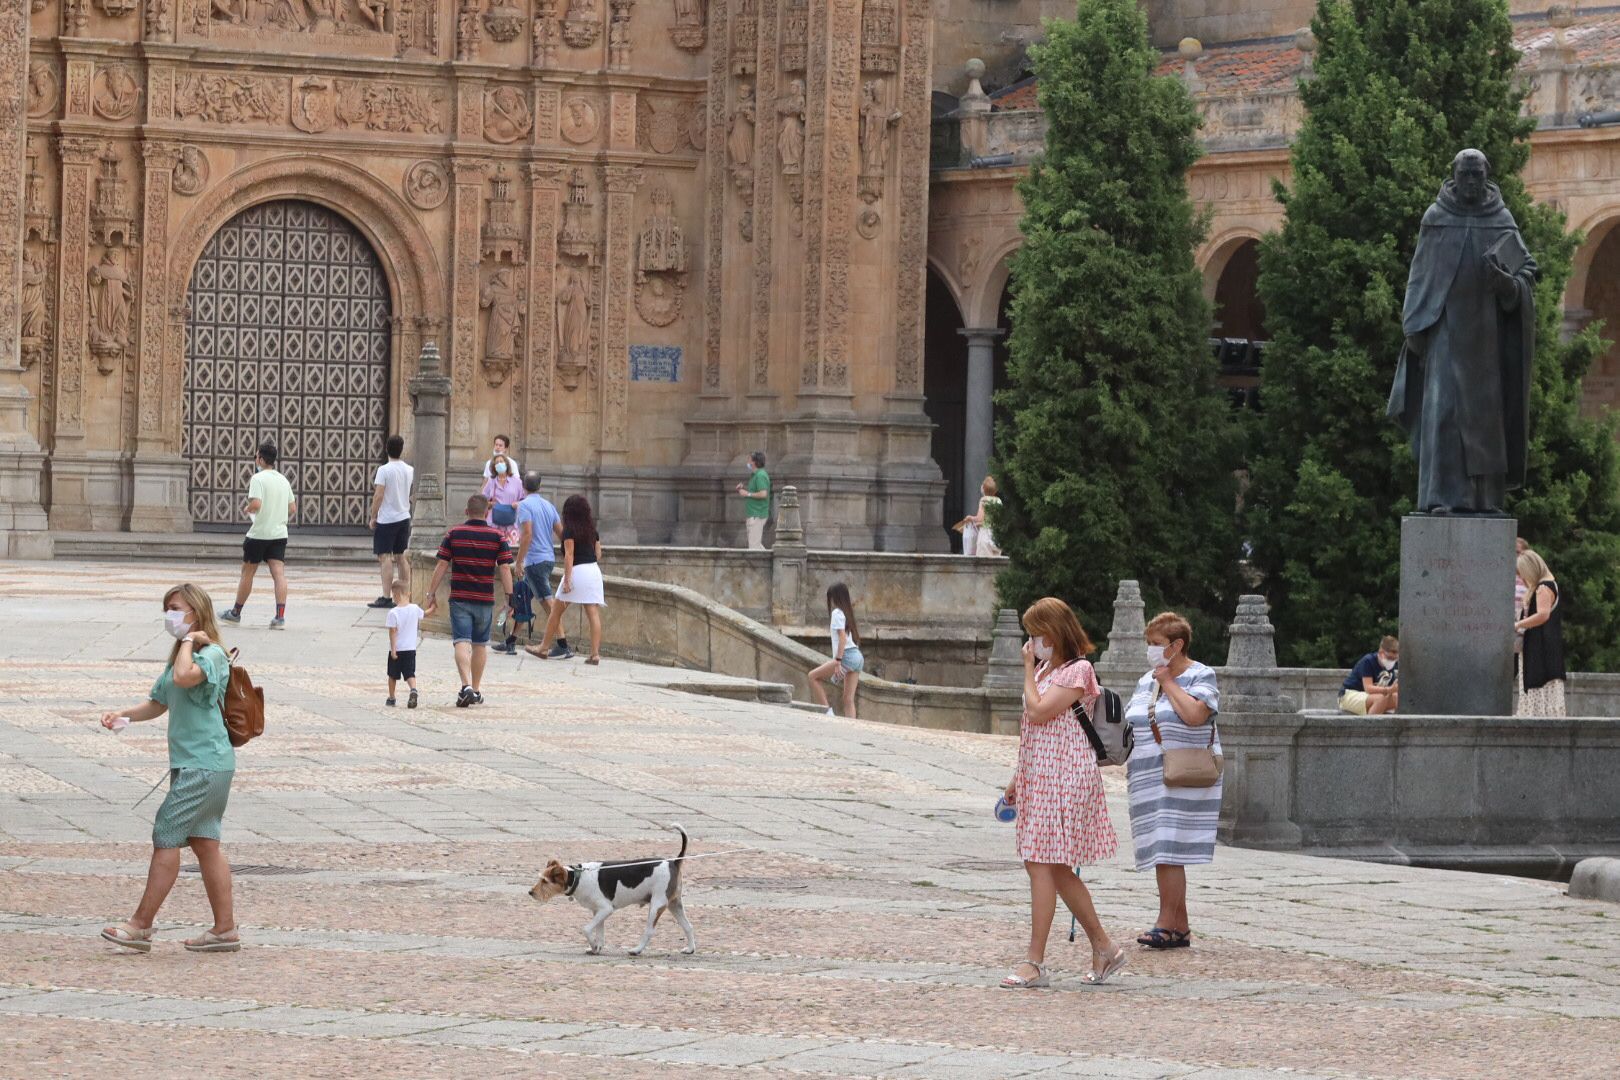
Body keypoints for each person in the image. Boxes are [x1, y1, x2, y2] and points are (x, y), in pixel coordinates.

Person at [98, 584, 241, 953]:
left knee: (166, 833)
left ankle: (140, 925)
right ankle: (224, 929)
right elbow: (159, 701)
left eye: (176, 609)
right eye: (167, 609)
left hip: (204, 764)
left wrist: (192, 641)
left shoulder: (211, 656)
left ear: (196, 612)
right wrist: (122, 714)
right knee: (205, 843)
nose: (169, 616)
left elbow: (183, 678)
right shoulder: (181, 654)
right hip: (199, 765)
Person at [997, 597, 1124, 989]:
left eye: (1036, 634)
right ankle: (1104, 948)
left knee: (1040, 862)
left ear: (1052, 634)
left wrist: (1025, 669)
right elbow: (1034, 728)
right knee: (1052, 866)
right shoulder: (1048, 669)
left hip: (1066, 775)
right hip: (1042, 774)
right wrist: (1019, 779)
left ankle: (1035, 961)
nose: (1031, 642)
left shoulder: (1078, 670)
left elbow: (1038, 712)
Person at [1125, 611, 1222, 951]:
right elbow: (1131, 722)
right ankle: (1179, 927)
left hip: (1184, 774)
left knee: (1168, 848)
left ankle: (1165, 923)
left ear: (1177, 645)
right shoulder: (1144, 681)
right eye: (1149, 643)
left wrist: (1168, 681)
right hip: (1147, 775)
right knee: (1161, 849)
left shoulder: (1201, 674)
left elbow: (1196, 715)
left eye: (1157, 644)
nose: (1151, 650)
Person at [424, 494, 514, 707]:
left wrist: (431, 593)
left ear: (466, 511)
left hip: (460, 598)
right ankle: (475, 688)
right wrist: (510, 599)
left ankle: (465, 686)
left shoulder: (454, 534)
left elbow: (442, 565)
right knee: (480, 644)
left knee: (461, 641)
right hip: (485, 598)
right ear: (487, 512)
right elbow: (504, 568)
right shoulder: (498, 537)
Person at [222, 442, 296, 630]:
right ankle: (280, 617)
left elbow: (256, 504)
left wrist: (247, 509)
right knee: (279, 574)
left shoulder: (258, 478)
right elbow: (292, 508)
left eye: (256, 457)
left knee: (247, 573)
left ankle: (236, 612)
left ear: (261, 459)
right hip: (279, 533)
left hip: (259, 533)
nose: (256, 460)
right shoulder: (283, 480)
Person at [528, 494, 605, 665]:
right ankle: (595, 654)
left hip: (577, 571)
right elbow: (598, 554)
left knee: (556, 610)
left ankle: (543, 647)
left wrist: (568, 579)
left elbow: (569, 555)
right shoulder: (593, 531)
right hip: (593, 571)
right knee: (592, 612)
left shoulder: (569, 530)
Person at [513, 471, 570, 659]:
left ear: (523, 486)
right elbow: (562, 534)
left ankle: (561, 645)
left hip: (535, 559)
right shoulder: (548, 505)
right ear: (540, 485)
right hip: (548, 557)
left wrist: (519, 561)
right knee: (547, 603)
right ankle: (561, 643)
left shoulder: (524, 506)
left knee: (548, 602)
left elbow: (527, 534)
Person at [1515, 549, 1566, 717]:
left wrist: (1518, 624)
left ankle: (1537, 716)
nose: (1522, 578)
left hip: (1540, 647)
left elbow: (1543, 614)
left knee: (1538, 684)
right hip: (1545, 646)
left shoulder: (1543, 587)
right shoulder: (1550, 584)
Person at [367, 435, 414, 609]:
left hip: (387, 518)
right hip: (404, 516)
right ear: (402, 450)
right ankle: (404, 593)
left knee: (385, 557)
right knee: (401, 556)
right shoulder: (410, 469)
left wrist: (373, 516)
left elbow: (379, 494)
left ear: (386, 449)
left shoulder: (384, 470)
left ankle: (386, 596)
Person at [809, 583, 864, 719]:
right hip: (857, 657)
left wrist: (838, 661)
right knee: (848, 699)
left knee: (812, 677)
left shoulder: (836, 613)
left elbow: (842, 638)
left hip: (846, 656)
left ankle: (828, 713)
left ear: (834, 597)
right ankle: (852, 728)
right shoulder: (847, 612)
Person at [1338, 636, 1400, 715]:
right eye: (1389, 658)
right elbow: (1368, 688)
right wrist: (1389, 690)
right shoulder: (1368, 661)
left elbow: (1391, 690)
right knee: (1380, 698)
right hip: (1348, 695)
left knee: (1397, 698)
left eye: (1394, 659)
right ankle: (1370, 726)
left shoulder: (1389, 667)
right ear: (1381, 652)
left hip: (1369, 697)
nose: (1391, 662)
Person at [385, 580, 422, 708]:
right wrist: (433, 607)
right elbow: (425, 614)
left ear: (395, 595)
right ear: (409, 593)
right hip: (410, 649)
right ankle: (413, 689)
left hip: (397, 649)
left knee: (392, 675)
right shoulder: (415, 608)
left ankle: (391, 697)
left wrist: (393, 650)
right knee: (410, 673)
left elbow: (392, 632)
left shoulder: (393, 613)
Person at [481, 452, 523, 548]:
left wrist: (517, 503)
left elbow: (524, 500)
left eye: (501, 461)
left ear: (506, 464)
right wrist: (490, 503)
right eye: (497, 463)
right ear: (494, 467)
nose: (499, 464)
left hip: (511, 523)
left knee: (510, 552)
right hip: (494, 522)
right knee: (493, 549)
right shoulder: (491, 481)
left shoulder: (516, 481)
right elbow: (482, 500)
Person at [735, 450, 771, 550]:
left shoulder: (760, 475)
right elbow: (755, 491)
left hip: (757, 514)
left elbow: (763, 494)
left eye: (749, 460)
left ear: (755, 462)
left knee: (753, 547)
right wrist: (742, 489)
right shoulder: (756, 475)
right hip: (754, 514)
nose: (748, 462)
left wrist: (747, 493)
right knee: (756, 544)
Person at [497, 574, 535, 655]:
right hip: (528, 572)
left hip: (531, 572)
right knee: (520, 608)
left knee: (518, 607)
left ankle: (510, 642)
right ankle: (510, 642)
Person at [966, 475, 1002, 557]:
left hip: (985, 534)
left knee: (983, 563)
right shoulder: (999, 501)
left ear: (984, 489)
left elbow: (979, 518)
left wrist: (970, 518)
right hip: (996, 536)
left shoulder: (984, 500)